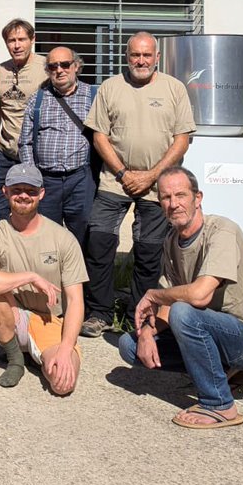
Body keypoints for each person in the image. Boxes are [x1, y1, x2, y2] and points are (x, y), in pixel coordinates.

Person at [119, 167, 243, 428]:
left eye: (181, 195)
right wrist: (148, 333)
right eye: (166, 197)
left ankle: (220, 404)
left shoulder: (222, 231)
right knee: (129, 345)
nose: (174, 204)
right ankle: (220, 373)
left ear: (198, 198)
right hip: (210, 331)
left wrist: (154, 294)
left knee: (184, 313)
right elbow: (168, 303)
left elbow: (199, 296)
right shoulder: (171, 241)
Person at [80, 31, 195, 337]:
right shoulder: (110, 87)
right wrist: (123, 173)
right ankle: (100, 313)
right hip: (114, 181)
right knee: (99, 244)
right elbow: (99, 136)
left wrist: (152, 174)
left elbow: (182, 139)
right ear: (126, 56)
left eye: (146, 55)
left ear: (157, 57)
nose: (141, 61)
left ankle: (139, 316)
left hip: (159, 185)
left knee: (149, 251)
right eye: (135, 55)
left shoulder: (174, 88)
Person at [0, 164, 86, 393]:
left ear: (41, 194)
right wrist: (30, 277)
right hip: (14, 317)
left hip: (50, 320)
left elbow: (76, 300)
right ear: (5, 192)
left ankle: (38, 354)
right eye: (17, 190)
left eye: (31, 190)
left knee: (62, 384)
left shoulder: (63, 238)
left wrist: (66, 349)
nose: (23, 195)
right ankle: (15, 358)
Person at [18, 46, 97, 242]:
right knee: (47, 235)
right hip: (47, 180)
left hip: (80, 178)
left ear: (76, 66)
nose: (59, 70)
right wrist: (33, 176)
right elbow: (25, 142)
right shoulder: (37, 99)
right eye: (53, 66)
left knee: (82, 232)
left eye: (65, 64)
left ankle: (77, 263)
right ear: (48, 71)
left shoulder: (93, 96)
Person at [0, 19, 48, 220]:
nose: (17, 45)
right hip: (5, 152)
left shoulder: (46, 68)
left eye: (22, 39)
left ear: (33, 40)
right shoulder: (0, 70)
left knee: (35, 207)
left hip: (36, 152)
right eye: (11, 40)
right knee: (1, 207)